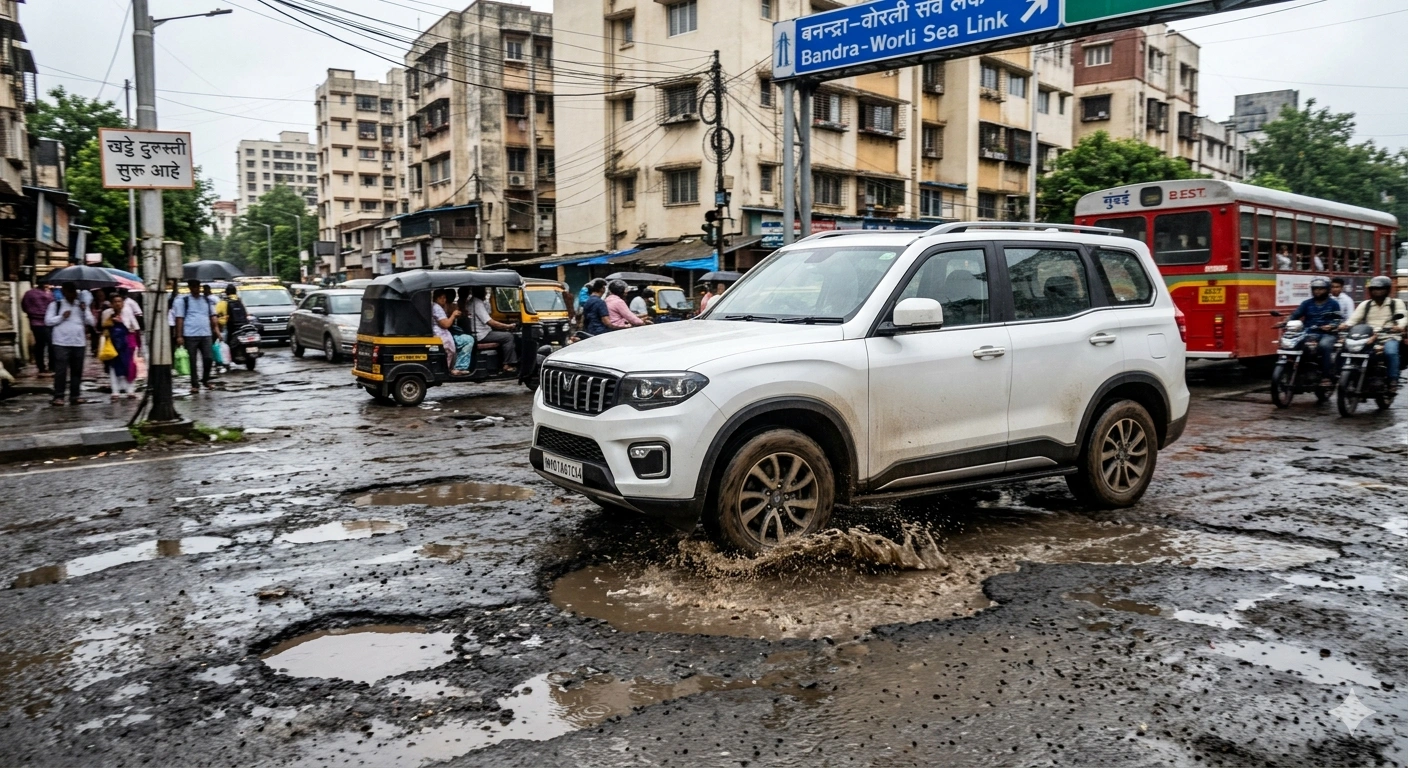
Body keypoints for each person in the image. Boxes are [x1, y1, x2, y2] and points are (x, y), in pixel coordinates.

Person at [1342, 275, 1406, 389]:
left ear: (1387, 290)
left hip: (1389, 336)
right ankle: (1343, 375)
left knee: (1390, 352)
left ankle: (1392, 380)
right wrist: (1345, 325)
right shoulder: (1365, 304)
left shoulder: (1396, 303)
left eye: (1380, 289)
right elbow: (1353, 319)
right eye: (1374, 289)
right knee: (1346, 349)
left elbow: (1402, 317)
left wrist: (1399, 326)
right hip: (1368, 337)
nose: (1377, 292)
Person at [45, 282, 93, 406]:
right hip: (61, 342)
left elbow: (92, 322)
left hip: (79, 342)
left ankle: (75, 395)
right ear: (64, 292)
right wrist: (61, 317)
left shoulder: (81, 306)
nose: (72, 294)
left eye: (74, 291)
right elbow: (48, 321)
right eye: (69, 291)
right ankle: (59, 396)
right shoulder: (56, 305)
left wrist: (85, 311)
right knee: (61, 370)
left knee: (77, 371)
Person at [1289, 277, 1343, 384]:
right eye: (1315, 289)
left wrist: (1331, 326)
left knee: (1324, 346)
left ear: (1327, 290)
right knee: (1295, 343)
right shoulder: (1306, 303)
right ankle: (1298, 371)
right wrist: (1285, 322)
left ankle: (1326, 376)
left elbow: (1337, 320)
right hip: (1309, 332)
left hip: (1327, 334)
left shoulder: (1333, 304)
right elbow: (1295, 315)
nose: (1317, 291)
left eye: (1321, 289)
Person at [173, 278, 219, 393]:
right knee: (192, 361)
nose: (196, 289)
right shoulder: (184, 301)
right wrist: (179, 336)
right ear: (189, 288)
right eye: (193, 287)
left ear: (200, 287)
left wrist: (216, 330)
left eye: (197, 287)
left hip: (206, 334)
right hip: (190, 334)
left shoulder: (207, 301)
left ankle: (205, 380)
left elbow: (213, 316)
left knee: (208, 358)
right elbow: (180, 318)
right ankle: (195, 384)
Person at [467, 286, 518, 371]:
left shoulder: (471, 302)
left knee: (503, 334)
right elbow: (490, 322)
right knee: (508, 337)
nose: (486, 293)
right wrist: (508, 326)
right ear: (480, 292)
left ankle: (502, 361)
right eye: (484, 291)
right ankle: (508, 364)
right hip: (481, 335)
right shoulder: (477, 303)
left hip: (479, 332)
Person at [101, 294, 139, 400]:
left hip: (127, 344)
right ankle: (115, 392)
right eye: (115, 302)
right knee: (113, 367)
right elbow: (103, 327)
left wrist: (122, 323)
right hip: (112, 344)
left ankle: (130, 390)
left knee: (129, 366)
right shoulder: (107, 313)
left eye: (120, 301)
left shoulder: (128, 312)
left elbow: (134, 327)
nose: (118, 304)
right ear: (111, 304)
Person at [432, 289, 473, 373]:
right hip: (441, 336)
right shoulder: (436, 308)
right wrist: (453, 315)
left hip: (442, 334)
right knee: (468, 340)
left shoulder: (438, 307)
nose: (444, 300)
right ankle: (460, 367)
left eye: (445, 298)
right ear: (436, 298)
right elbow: (446, 324)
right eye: (442, 298)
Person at [21, 281, 54, 375]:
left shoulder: (29, 293)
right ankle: (51, 366)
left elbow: (24, 307)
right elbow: (52, 306)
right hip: (46, 322)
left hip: (35, 323)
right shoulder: (48, 294)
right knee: (51, 345)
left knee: (40, 345)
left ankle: (41, 367)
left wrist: (31, 314)